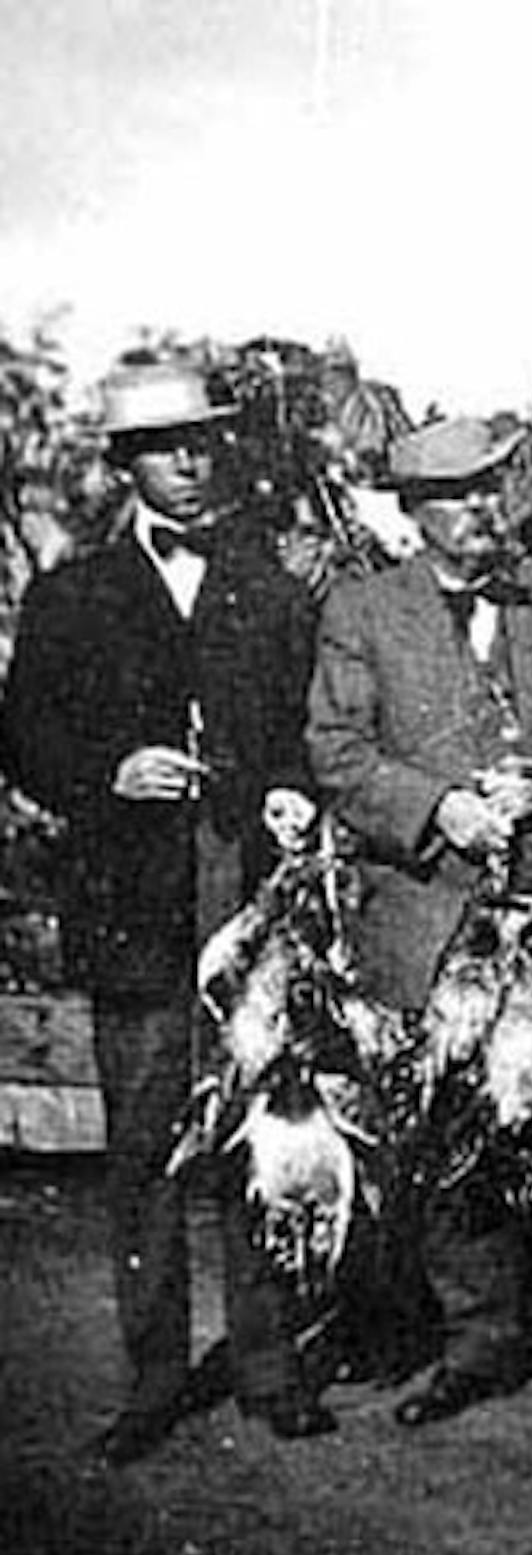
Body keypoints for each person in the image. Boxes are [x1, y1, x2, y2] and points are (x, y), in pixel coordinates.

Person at [307, 414, 532, 1427]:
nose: (482, 510)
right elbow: (337, 754)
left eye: (492, 489)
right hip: (434, 909)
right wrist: (441, 809)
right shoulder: (362, 611)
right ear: (414, 512)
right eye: (458, 496)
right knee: (452, 1116)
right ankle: (478, 1338)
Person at [0, 358, 332, 1465]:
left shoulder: (272, 586)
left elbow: (307, 728)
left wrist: (290, 786)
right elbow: (25, 740)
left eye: (203, 443)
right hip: (135, 905)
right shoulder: (71, 594)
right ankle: (153, 1376)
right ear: (127, 465)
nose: (190, 463)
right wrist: (110, 771)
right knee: (145, 1143)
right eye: (165, 447)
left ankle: (269, 1363)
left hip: (248, 901)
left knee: (262, 1130)